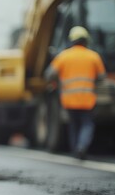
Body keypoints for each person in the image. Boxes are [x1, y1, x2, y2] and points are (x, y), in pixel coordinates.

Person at [45, 26, 106, 160]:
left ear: (72, 40)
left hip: (69, 99)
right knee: (87, 124)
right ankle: (81, 147)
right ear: (86, 40)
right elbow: (102, 77)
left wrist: (58, 81)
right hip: (87, 99)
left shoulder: (63, 56)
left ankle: (75, 150)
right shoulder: (93, 56)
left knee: (74, 124)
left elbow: (49, 75)